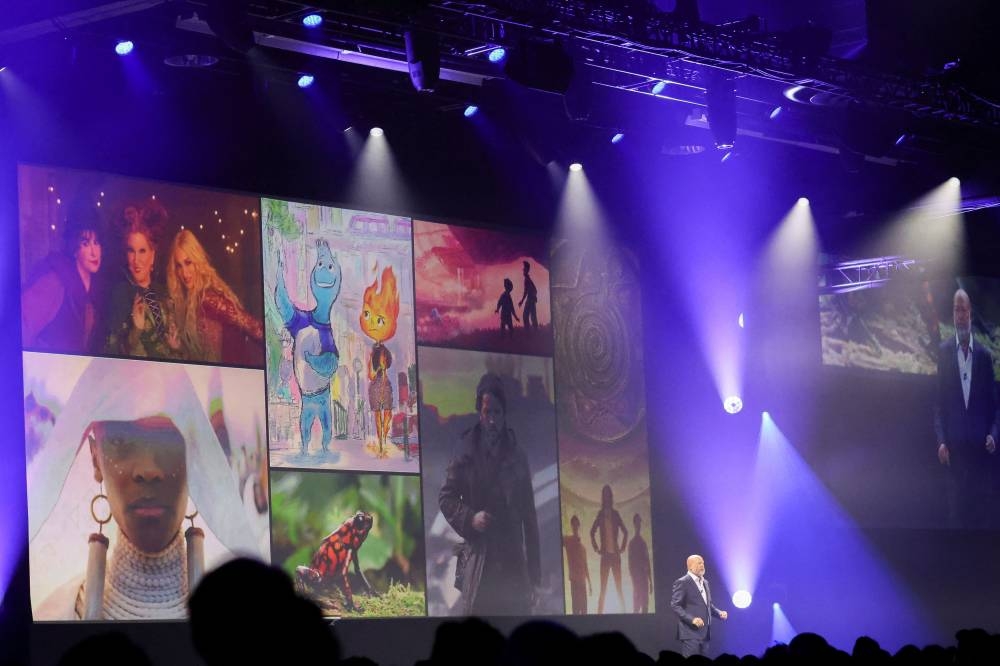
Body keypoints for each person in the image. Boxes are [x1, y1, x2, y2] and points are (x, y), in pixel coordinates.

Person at [27, 356, 263, 620]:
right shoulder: (56, 616)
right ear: (95, 458)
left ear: (194, 456)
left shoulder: (243, 624)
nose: (148, 470)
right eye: (121, 440)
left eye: (169, 439)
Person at [439, 373, 540, 615]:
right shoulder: (465, 450)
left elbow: (530, 518)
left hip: (513, 562)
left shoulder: (518, 456)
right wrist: (471, 518)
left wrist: (534, 577)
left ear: (504, 414)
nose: (492, 420)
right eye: (487, 412)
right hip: (479, 560)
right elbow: (446, 498)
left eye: (497, 413)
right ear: (479, 412)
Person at [934, 288, 999, 529]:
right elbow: (939, 404)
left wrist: (994, 434)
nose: (959, 315)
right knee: (956, 520)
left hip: (980, 454)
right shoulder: (943, 352)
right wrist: (941, 440)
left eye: (963, 310)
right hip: (954, 455)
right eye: (955, 310)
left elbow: (995, 407)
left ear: (970, 313)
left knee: (980, 519)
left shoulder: (984, 356)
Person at [166, 229, 263, 365]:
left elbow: (254, 327)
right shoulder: (189, 300)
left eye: (188, 263)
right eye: (179, 266)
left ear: (197, 260)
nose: (184, 272)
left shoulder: (209, 298)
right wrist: (178, 347)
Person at [21, 202, 105, 353]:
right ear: (74, 249)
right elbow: (21, 328)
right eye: (85, 244)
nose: (94, 252)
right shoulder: (55, 282)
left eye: (96, 243)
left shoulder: (96, 287)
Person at [104, 202, 175, 359]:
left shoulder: (162, 292)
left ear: (153, 255)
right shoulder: (120, 294)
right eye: (131, 251)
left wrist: (175, 346)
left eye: (142, 251)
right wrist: (136, 329)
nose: (136, 260)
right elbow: (111, 353)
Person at [670, 554, 727, 657]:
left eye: (703, 563)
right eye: (699, 563)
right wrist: (692, 619)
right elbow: (675, 605)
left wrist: (719, 613)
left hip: (705, 633)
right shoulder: (682, 582)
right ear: (690, 566)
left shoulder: (705, 582)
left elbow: (708, 605)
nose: (702, 565)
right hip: (690, 632)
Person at [589, 484, 627, 613]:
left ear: (610, 497)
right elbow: (592, 532)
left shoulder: (615, 514)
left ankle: (625, 616)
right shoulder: (600, 514)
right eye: (604, 494)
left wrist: (622, 547)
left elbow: (625, 531)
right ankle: (599, 616)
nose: (606, 497)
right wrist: (596, 547)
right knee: (603, 590)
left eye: (608, 494)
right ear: (603, 497)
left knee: (619, 588)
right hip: (605, 556)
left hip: (615, 556)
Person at [562, 514, 591, 614]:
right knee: (575, 608)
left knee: (584, 610)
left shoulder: (582, 548)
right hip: (574, 580)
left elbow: (586, 566)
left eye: (576, 525)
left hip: (582, 581)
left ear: (578, 526)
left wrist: (590, 583)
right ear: (571, 525)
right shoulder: (567, 540)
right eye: (573, 524)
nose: (575, 527)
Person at [627, 513, 652, 613]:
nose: (638, 525)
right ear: (634, 524)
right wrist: (634, 580)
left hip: (644, 578)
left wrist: (650, 581)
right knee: (636, 607)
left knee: (645, 606)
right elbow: (630, 564)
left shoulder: (643, 542)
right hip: (637, 579)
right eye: (637, 522)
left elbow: (647, 561)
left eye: (639, 523)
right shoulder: (632, 543)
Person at [518, 261, 538, 331]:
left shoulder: (527, 280)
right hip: (531, 299)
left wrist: (522, 301)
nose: (523, 270)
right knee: (532, 316)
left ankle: (528, 332)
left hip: (530, 299)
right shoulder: (528, 279)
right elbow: (534, 290)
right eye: (523, 269)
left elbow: (526, 291)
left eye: (524, 269)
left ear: (526, 270)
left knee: (526, 316)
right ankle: (534, 331)